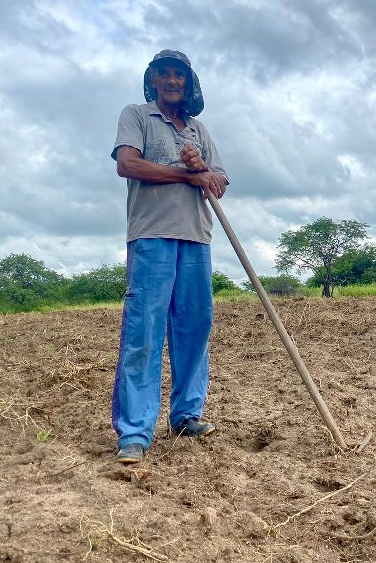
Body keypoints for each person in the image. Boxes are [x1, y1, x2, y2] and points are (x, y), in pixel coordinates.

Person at [111, 50, 228, 464]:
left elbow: (220, 181)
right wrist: (186, 173)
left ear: (188, 83)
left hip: (197, 237)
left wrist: (207, 173)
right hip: (151, 236)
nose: (173, 81)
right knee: (144, 329)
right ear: (154, 80)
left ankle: (186, 415)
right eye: (165, 74)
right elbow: (128, 165)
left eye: (180, 75)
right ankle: (135, 433)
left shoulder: (199, 130)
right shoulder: (137, 116)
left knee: (195, 326)